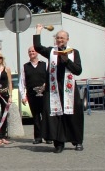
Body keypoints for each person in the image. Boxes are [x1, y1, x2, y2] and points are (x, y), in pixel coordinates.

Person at [33, 25, 84, 153]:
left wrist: (67, 61)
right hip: (54, 89)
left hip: (69, 89)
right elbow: (38, 47)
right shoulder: (51, 51)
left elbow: (78, 71)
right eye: (58, 38)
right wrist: (38, 31)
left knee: (73, 115)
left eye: (62, 38)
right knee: (56, 116)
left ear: (67, 39)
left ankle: (77, 141)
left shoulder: (74, 52)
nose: (60, 40)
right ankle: (59, 143)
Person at [20, 46, 47, 144]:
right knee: (35, 117)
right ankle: (38, 137)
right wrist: (23, 96)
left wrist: (45, 85)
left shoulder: (44, 64)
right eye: (30, 51)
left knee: (45, 116)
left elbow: (49, 78)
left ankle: (48, 137)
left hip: (44, 94)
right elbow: (22, 82)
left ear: (37, 53)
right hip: (32, 95)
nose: (31, 53)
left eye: (33, 51)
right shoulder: (25, 66)